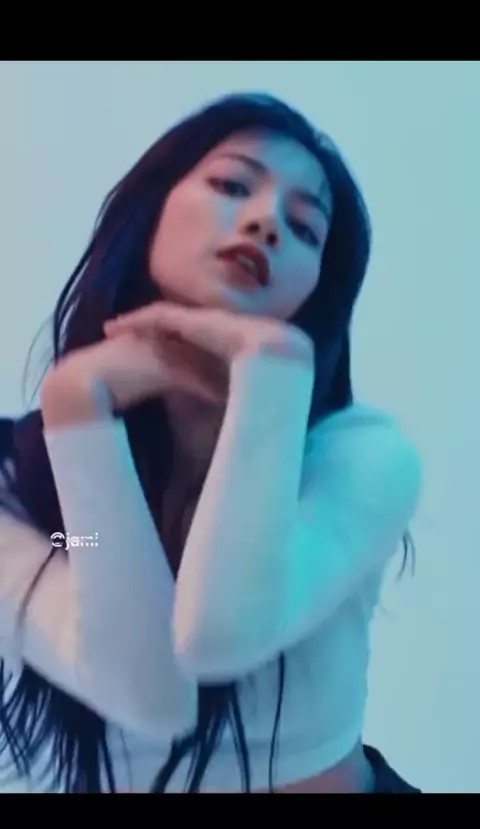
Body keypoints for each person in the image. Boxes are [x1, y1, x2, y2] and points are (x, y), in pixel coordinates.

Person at [0, 92, 422, 793]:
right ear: (150, 210)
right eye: (231, 185)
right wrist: (77, 409)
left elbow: (223, 633)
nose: (266, 223)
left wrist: (273, 375)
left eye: (305, 228)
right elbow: (146, 691)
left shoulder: (359, 459)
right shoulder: (22, 486)